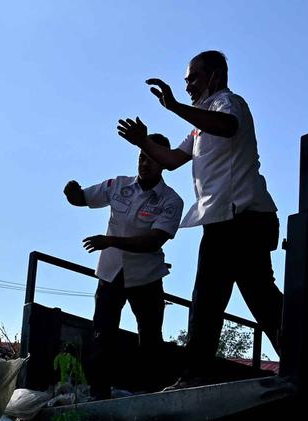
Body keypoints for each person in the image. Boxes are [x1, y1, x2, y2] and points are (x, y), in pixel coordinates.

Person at [117, 50, 282, 389]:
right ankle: (304, 357)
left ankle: (195, 375)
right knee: (259, 298)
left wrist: (175, 107)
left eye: (193, 78)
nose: (188, 85)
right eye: (186, 80)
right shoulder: (198, 126)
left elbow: (228, 126)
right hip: (226, 220)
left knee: (208, 298)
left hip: (242, 219)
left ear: (215, 77)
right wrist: (143, 141)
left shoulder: (228, 103)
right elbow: (172, 159)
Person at [64, 133, 183, 399]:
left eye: (152, 158)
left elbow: (153, 241)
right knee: (101, 335)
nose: (145, 163)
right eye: (142, 157)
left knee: (150, 339)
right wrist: (71, 192)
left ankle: (149, 395)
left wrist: (110, 240)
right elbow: (82, 198)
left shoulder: (171, 201)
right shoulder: (117, 185)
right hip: (110, 274)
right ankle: (98, 394)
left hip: (147, 279)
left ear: (164, 162)